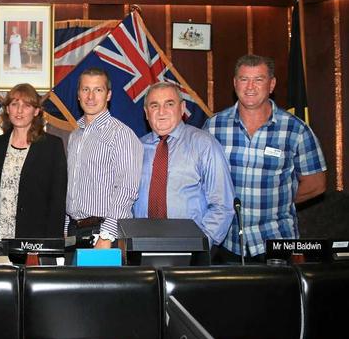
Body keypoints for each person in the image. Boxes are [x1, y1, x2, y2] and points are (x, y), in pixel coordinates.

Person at [204, 54, 327, 262]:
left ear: (271, 84)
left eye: (259, 79)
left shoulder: (295, 129)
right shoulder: (214, 126)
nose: (250, 87)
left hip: (277, 240)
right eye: (244, 79)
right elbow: (199, 179)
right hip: (226, 243)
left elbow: (316, 184)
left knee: (280, 296)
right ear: (235, 84)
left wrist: (278, 202)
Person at [133, 82, 235, 246]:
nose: (161, 112)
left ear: (182, 109)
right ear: (146, 113)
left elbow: (222, 205)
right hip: (142, 245)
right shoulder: (136, 148)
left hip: (191, 250)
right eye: (154, 105)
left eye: (169, 104)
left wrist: (200, 245)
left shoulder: (204, 144)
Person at [65, 67, 143, 249]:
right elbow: (70, 186)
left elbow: (127, 188)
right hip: (74, 231)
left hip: (104, 232)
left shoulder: (121, 134)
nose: (90, 97)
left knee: (99, 279)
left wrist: (107, 235)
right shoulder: (75, 135)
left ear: (108, 95)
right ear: (78, 95)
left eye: (98, 90)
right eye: (85, 90)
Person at [0, 83, 67, 241]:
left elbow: (57, 201)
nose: (19, 111)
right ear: (7, 109)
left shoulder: (52, 146)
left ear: (36, 111)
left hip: (36, 239)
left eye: (26, 105)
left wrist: (52, 245)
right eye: (14, 104)